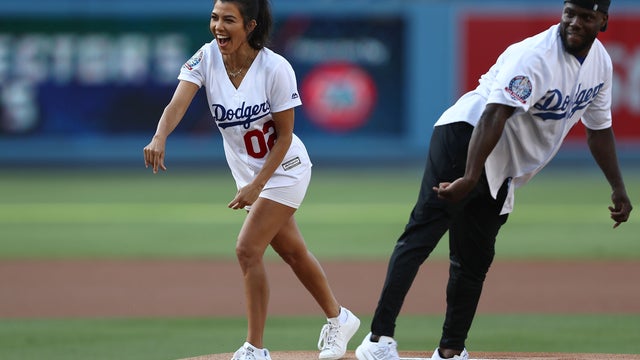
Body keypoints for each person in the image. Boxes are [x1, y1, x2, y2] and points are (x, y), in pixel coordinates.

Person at [355, 1, 632, 359]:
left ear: (603, 22)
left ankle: (451, 349)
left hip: (504, 165)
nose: (575, 22)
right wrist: (470, 176)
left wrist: (618, 187)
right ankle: (378, 340)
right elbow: (493, 114)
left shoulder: (601, 65)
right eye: (569, 12)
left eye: (586, 16)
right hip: (465, 136)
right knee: (421, 235)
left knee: (474, 258)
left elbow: (599, 131)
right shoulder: (534, 56)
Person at [142, 1, 360, 359]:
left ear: (250, 25)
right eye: (215, 18)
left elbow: (285, 137)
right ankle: (340, 318)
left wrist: (257, 187)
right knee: (292, 252)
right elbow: (176, 104)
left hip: (285, 170)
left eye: (229, 20)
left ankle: (255, 347)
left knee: (247, 249)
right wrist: (159, 136)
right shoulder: (206, 57)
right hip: (249, 176)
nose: (218, 26)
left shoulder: (275, 68)